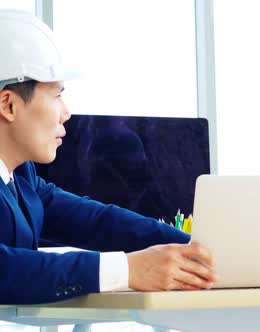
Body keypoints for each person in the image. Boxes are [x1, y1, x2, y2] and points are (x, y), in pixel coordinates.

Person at [0, 9, 217, 304]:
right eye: (56, 94)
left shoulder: (21, 177)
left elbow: (95, 221)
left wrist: (201, 250)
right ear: (8, 105)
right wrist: (127, 269)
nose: (66, 113)